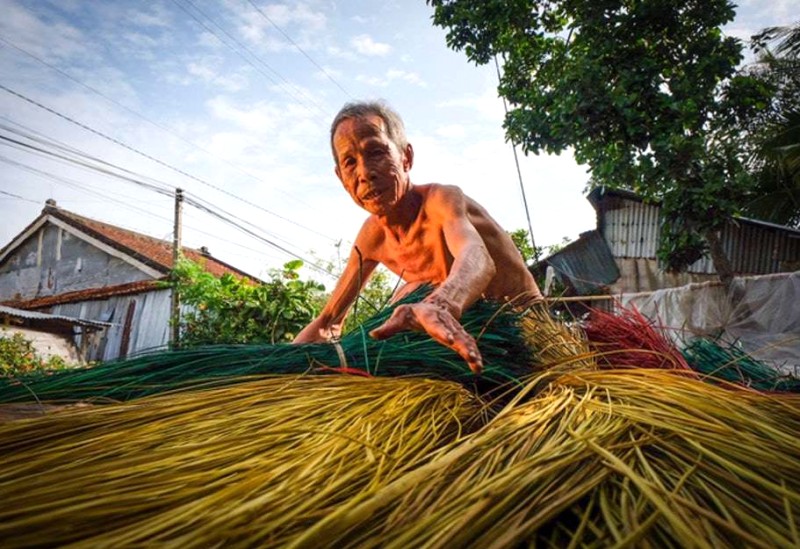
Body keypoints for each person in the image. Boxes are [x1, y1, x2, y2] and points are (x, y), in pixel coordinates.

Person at [293, 100, 543, 374]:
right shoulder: (371, 237)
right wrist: (277, 365)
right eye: (350, 162)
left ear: (406, 157)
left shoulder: (442, 201)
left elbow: (477, 257)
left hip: (527, 330)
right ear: (341, 177)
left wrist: (440, 304)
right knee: (402, 305)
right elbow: (328, 322)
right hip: (464, 337)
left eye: (376, 152)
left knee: (413, 299)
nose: (365, 173)